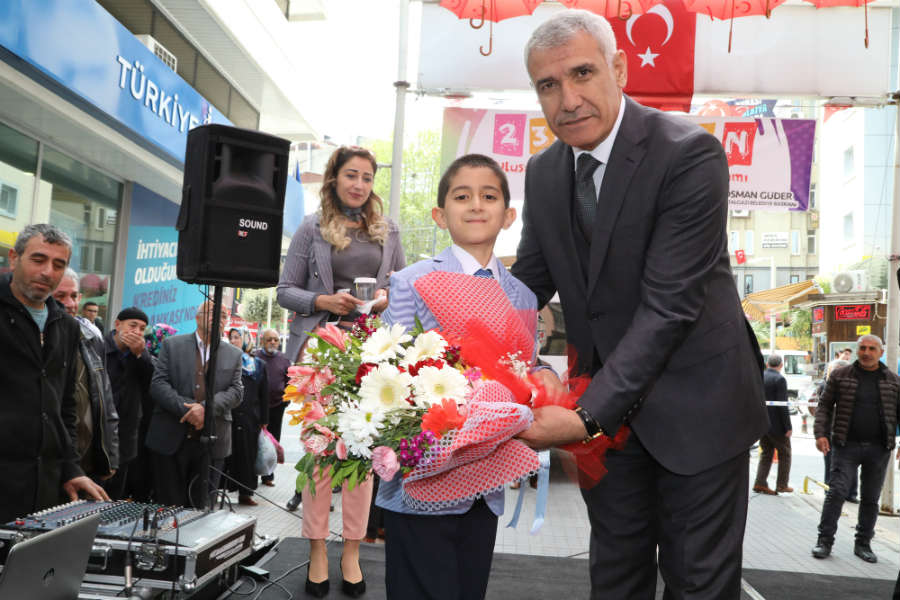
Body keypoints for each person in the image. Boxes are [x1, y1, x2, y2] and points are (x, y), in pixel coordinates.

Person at [510, 11, 768, 598]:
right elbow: (524, 288)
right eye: (548, 85)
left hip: (701, 411)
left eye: (582, 73)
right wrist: (429, 331)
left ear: (619, 68)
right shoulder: (545, 172)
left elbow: (668, 308)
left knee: (698, 584)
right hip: (609, 423)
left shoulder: (689, 155)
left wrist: (583, 417)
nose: (568, 99)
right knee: (615, 579)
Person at [378, 153, 547, 600]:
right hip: (420, 479)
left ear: (508, 215)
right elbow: (387, 372)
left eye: (489, 196)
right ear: (439, 214)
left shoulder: (522, 295)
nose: (476, 205)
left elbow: (522, 374)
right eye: (462, 196)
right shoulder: (411, 281)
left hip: (485, 485)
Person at [277, 145, 406, 598]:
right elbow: (284, 291)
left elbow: (404, 288)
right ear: (334, 178)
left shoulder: (387, 229)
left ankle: (351, 551)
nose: (359, 184)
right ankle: (316, 549)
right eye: (351, 175)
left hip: (370, 352)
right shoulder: (311, 228)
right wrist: (323, 301)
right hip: (321, 351)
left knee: (363, 454)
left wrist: (388, 298)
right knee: (320, 455)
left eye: (368, 178)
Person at [0, 224, 109, 521]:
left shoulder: (67, 326)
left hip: (45, 490)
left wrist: (71, 469)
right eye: (38, 260)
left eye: (58, 264)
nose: (48, 272)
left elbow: (65, 408)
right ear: (14, 258)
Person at [145, 301, 243, 508]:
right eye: (210, 312)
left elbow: (236, 391)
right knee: (168, 506)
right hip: (171, 439)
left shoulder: (233, 354)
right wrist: (189, 409)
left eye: (223, 315)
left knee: (203, 508)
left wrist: (206, 409)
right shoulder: (172, 345)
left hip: (212, 443)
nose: (217, 317)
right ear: (197, 317)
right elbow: (158, 384)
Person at [811, 334, 899, 563]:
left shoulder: (893, 380)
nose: (867, 352)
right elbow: (824, 407)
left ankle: (863, 544)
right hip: (844, 445)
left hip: (879, 449)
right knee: (837, 492)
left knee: (870, 498)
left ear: (880, 352)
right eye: (863, 348)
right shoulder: (840, 375)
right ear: (857, 350)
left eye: (872, 348)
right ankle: (824, 541)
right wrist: (820, 434)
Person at [52, 269, 119, 482]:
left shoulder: (92, 339)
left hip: (88, 464)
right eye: (60, 296)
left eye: (73, 296)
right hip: (52, 465)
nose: (69, 304)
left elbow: (106, 403)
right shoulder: (38, 342)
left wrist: (111, 457)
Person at [103, 307, 154, 500]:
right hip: (102, 428)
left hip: (127, 431)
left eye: (142, 328)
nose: (137, 332)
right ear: (117, 325)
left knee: (117, 490)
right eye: (133, 326)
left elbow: (151, 384)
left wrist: (141, 355)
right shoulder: (100, 347)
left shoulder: (141, 355)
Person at [226, 328, 268, 506]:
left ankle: (245, 493)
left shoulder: (257, 364)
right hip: (228, 414)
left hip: (250, 418)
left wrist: (264, 420)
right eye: (232, 337)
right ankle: (221, 491)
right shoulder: (225, 359)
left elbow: (264, 393)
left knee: (247, 454)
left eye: (238, 337)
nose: (234, 340)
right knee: (227, 454)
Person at [253, 328, 292, 495]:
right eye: (269, 339)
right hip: (257, 407)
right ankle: (252, 475)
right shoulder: (255, 357)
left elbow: (290, 381)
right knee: (255, 441)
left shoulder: (284, 360)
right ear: (262, 341)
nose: (273, 342)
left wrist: (286, 399)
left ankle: (268, 475)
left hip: (276, 407)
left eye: (276, 339)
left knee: (273, 440)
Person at [753, 354, 793, 495]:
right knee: (785, 453)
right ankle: (782, 484)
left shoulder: (761, 376)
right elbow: (782, 405)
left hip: (762, 423)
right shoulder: (780, 379)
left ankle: (760, 482)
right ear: (781, 365)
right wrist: (788, 426)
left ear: (768, 364)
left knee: (766, 453)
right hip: (777, 425)